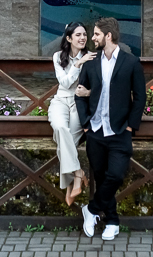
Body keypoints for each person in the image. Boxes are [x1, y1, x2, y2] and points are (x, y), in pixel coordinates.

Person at [74, 16, 145, 241]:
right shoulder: (91, 62)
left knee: (115, 175)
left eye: (95, 34)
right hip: (94, 130)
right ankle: (112, 221)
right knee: (103, 177)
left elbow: (140, 97)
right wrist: (86, 124)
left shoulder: (131, 62)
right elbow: (80, 93)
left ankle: (92, 209)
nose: (91, 38)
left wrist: (131, 127)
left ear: (108, 36)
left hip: (119, 131)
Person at [50, 22, 97, 205]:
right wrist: (78, 64)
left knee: (67, 139)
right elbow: (66, 83)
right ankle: (78, 173)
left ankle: (70, 184)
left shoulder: (92, 57)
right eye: (78, 35)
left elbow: (98, 86)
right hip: (61, 101)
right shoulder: (57, 57)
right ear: (69, 38)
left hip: (80, 103)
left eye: (85, 34)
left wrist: (89, 93)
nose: (83, 38)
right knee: (60, 128)